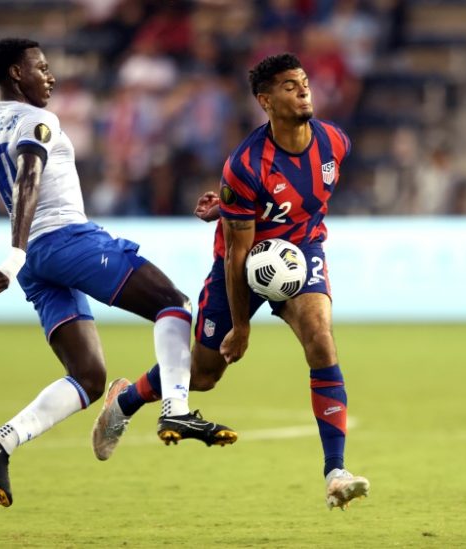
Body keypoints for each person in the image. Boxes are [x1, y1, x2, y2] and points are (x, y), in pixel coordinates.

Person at [0, 38, 235, 508]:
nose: (50, 76)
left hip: (37, 264)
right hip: (63, 242)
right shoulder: (38, 121)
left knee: (88, 376)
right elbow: (29, 177)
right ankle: (175, 410)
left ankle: (2, 441)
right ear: (17, 74)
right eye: (41, 68)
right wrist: (14, 252)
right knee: (174, 303)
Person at [93, 53, 370, 511]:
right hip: (238, 271)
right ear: (265, 100)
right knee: (203, 375)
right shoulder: (244, 164)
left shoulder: (335, 142)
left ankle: (335, 472)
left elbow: (299, 199)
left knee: (321, 341)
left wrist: (233, 207)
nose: (303, 90)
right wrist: (241, 328)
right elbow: (238, 255)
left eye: (303, 82)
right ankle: (126, 398)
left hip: (300, 256)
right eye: (288, 85)